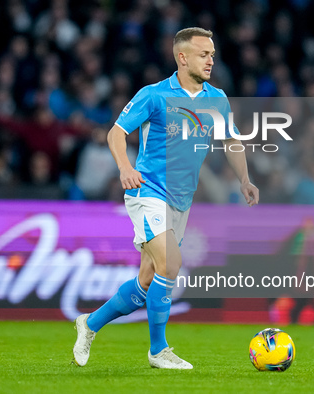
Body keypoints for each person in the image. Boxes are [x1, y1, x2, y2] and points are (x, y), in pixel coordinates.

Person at [72, 27, 259, 370]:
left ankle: (90, 324)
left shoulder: (216, 98)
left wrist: (245, 179)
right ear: (182, 56)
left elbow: (231, 140)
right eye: (204, 54)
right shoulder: (154, 95)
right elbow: (116, 133)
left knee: (147, 279)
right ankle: (158, 351)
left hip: (181, 201)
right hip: (147, 191)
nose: (211, 61)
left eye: (213, 55)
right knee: (171, 264)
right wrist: (125, 167)